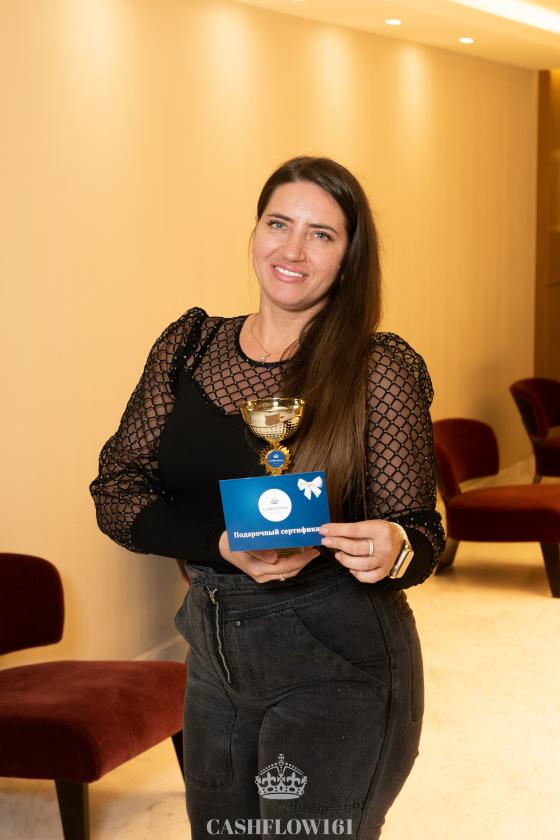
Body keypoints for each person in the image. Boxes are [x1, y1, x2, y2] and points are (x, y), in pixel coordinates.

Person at [90, 156, 445, 839]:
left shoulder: (378, 368)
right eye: (279, 224)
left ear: (349, 257)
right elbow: (117, 491)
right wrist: (218, 543)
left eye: (322, 234)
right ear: (255, 232)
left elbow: (421, 533)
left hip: (338, 654)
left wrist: (397, 546)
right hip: (212, 646)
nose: (293, 249)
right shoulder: (189, 347)